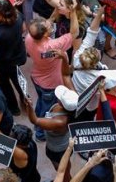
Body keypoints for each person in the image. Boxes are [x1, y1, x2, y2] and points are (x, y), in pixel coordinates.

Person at [24, 8, 78, 140]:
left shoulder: (30, 37)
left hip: (37, 78)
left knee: (41, 102)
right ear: (44, 34)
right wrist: (74, 11)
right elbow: (74, 33)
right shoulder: (53, 46)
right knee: (48, 109)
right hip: (50, 84)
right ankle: (40, 134)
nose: (50, 24)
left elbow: (48, 22)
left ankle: (37, 117)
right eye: (48, 27)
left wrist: (57, 9)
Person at [25, 85, 76, 182]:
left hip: (58, 151)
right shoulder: (69, 107)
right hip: (58, 145)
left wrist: (29, 107)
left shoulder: (60, 122)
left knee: (62, 171)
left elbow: (34, 120)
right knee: (63, 169)